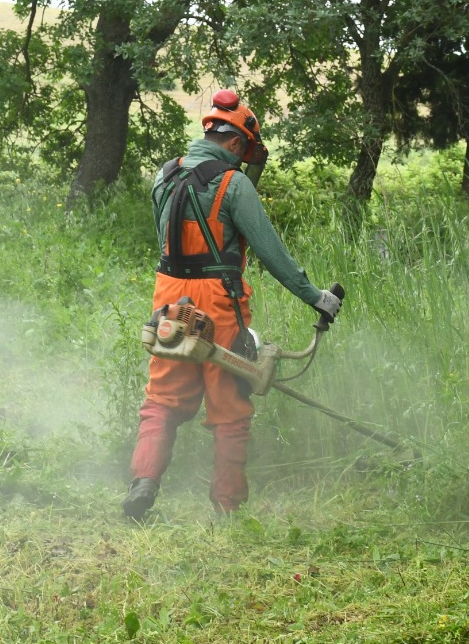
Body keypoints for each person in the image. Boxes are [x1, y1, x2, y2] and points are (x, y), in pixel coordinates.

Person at [124, 89, 342, 520]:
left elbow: (166, 241)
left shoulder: (164, 176)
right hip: (219, 302)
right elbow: (271, 251)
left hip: (169, 297)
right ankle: (227, 509)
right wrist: (316, 297)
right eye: (246, 155)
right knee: (229, 407)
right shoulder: (234, 183)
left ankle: (142, 484)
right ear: (237, 144)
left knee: (162, 399)